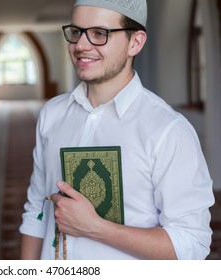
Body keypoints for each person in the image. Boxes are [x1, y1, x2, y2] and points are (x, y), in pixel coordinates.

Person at [19, 0, 215, 260]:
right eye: (76, 32)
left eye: (100, 34)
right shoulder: (52, 115)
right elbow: (37, 210)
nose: (81, 45)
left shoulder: (167, 130)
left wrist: (96, 228)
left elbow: (191, 244)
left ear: (136, 42)